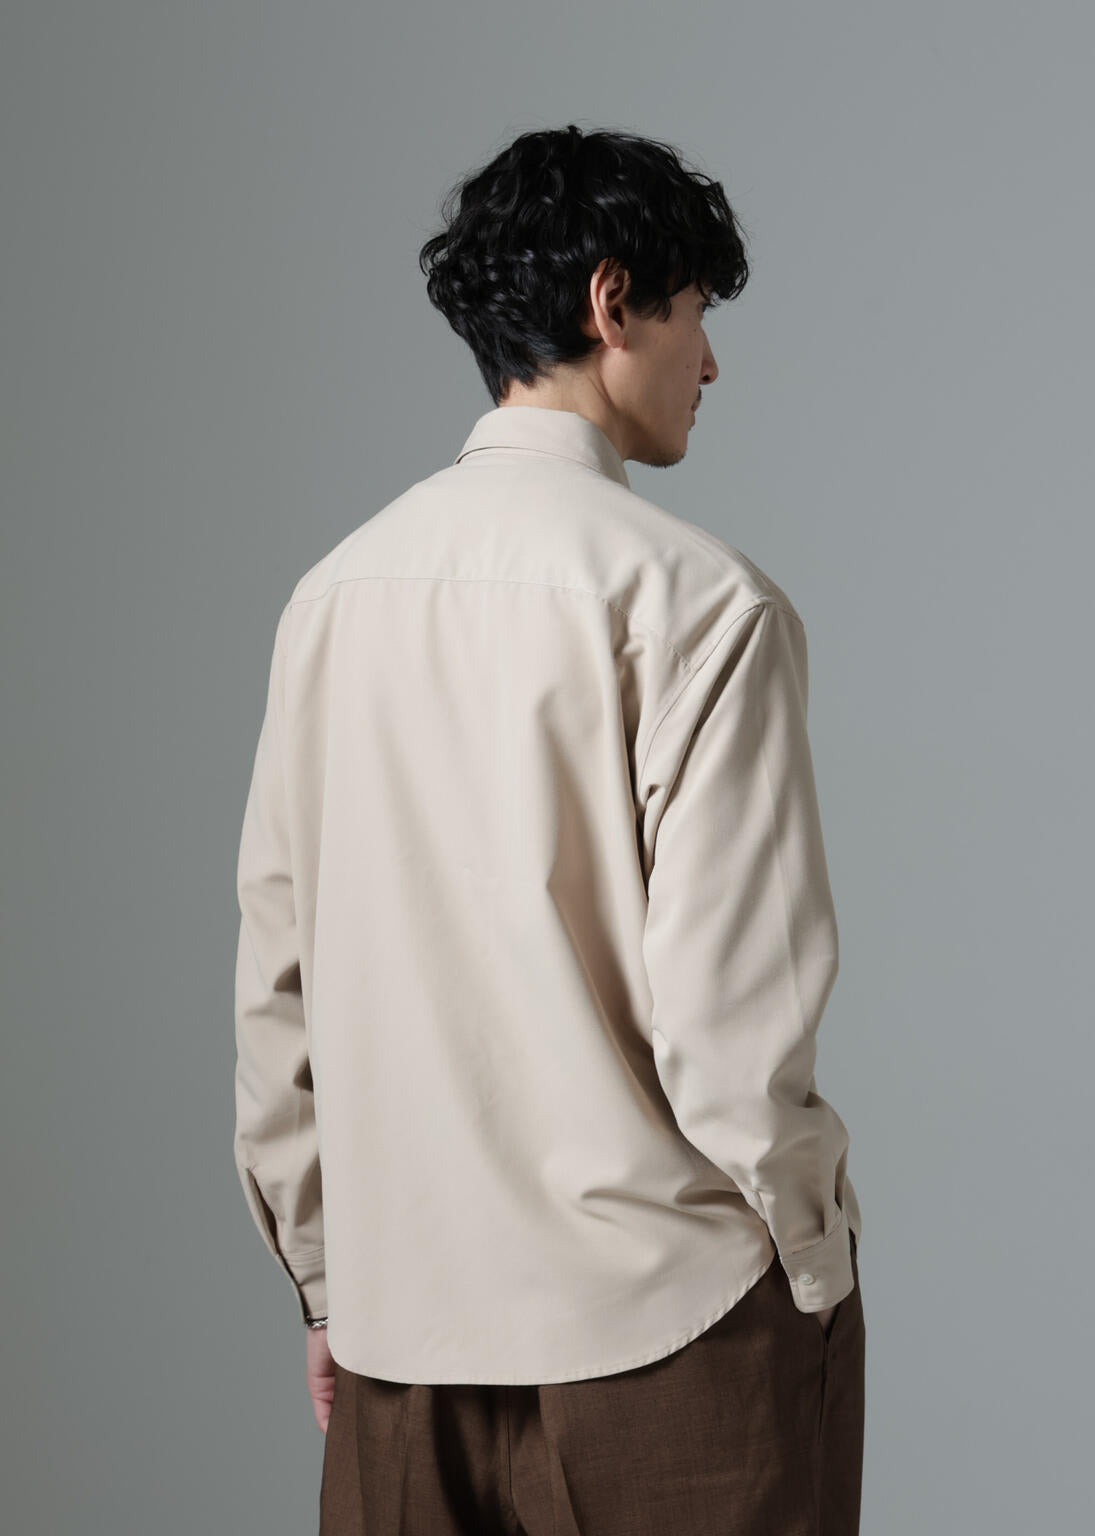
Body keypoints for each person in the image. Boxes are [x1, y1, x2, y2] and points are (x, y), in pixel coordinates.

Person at [232, 122, 865, 1535]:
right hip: (673, 1332)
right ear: (611, 301)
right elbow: (732, 1035)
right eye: (694, 312)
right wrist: (814, 1263)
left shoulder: (331, 600)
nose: (712, 362)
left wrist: (327, 1282)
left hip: (402, 1345)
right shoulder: (704, 607)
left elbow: (279, 993)